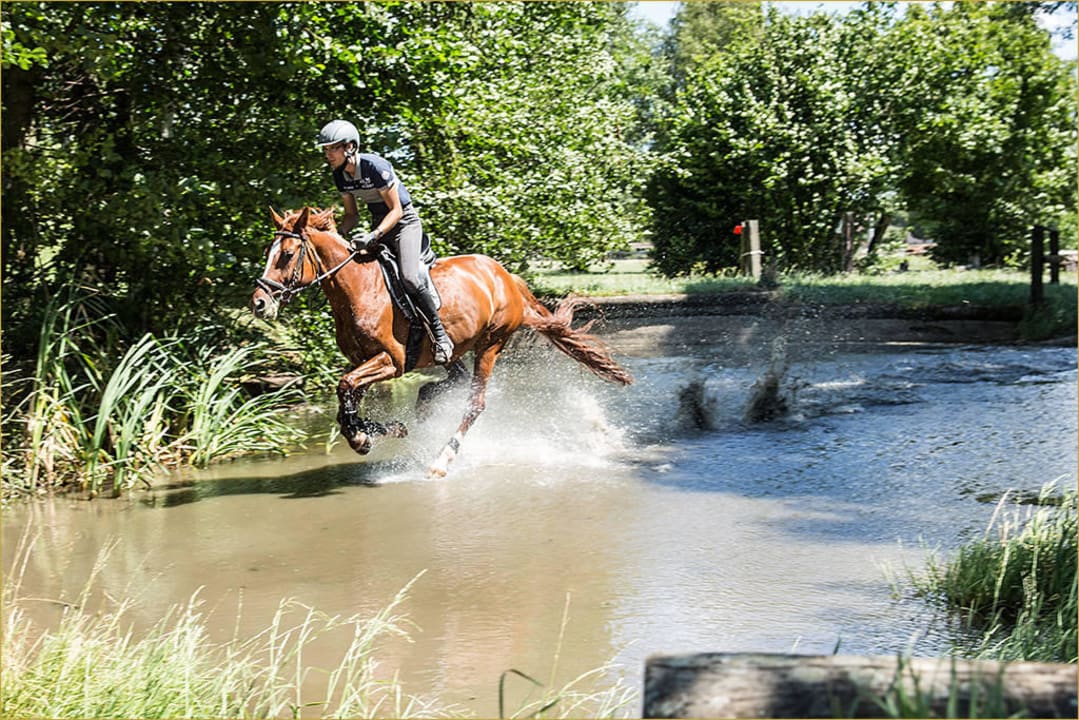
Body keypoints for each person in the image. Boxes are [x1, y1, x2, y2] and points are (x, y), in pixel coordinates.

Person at [315, 119, 454, 364]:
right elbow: (351, 216)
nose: (328, 154)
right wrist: (337, 239)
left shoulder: (375, 167)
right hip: (379, 225)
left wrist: (373, 235)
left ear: (350, 147)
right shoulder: (340, 176)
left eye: (332, 148)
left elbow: (397, 211)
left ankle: (440, 335)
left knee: (410, 277)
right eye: (325, 150)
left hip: (404, 224)